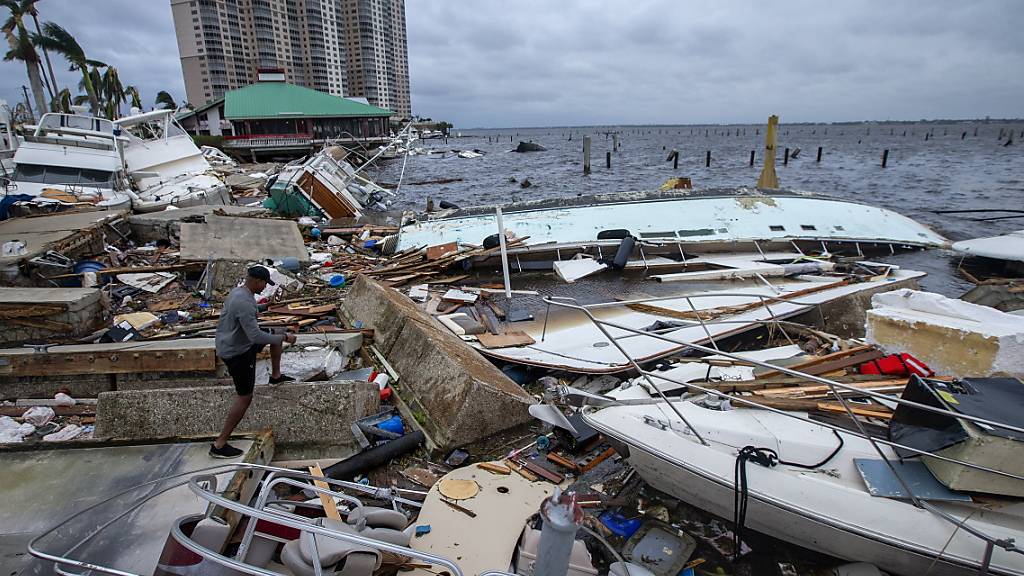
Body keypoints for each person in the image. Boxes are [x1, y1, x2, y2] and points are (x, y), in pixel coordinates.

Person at [210, 265, 296, 458]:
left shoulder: (239, 293)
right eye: (265, 283)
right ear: (257, 281)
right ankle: (219, 444)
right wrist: (285, 338)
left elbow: (249, 311)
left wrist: (265, 307)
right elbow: (255, 336)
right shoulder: (244, 302)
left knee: (276, 332)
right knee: (245, 396)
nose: (265, 287)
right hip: (237, 352)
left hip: (233, 342)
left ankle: (276, 376)